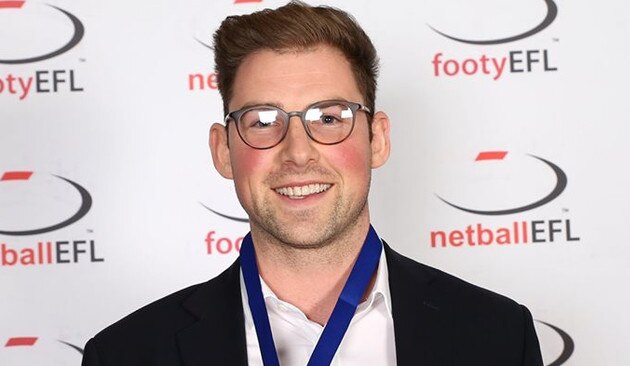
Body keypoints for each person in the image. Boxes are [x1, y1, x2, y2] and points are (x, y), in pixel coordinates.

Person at [81, 2, 543, 365]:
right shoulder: (127, 353)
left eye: (329, 117)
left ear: (377, 139)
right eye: (263, 121)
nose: (298, 152)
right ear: (224, 150)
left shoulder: (497, 335)